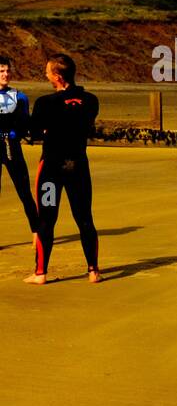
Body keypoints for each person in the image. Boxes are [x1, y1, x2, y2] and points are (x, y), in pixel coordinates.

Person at [26, 54, 100, 285]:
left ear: (57, 76)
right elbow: (85, 125)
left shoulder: (45, 103)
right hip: (77, 167)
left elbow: (34, 133)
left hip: (51, 170)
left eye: (48, 72)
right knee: (84, 218)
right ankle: (93, 271)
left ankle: (40, 273)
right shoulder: (91, 100)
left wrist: (48, 131)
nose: (45, 75)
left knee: (46, 219)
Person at [0, 55, 40, 242]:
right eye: (1, 71)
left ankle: (37, 231)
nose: (6, 74)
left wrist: (18, 132)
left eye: (8, 71)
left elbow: (25, 122)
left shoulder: (19, 97)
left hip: (11, 145)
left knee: (23, 190)